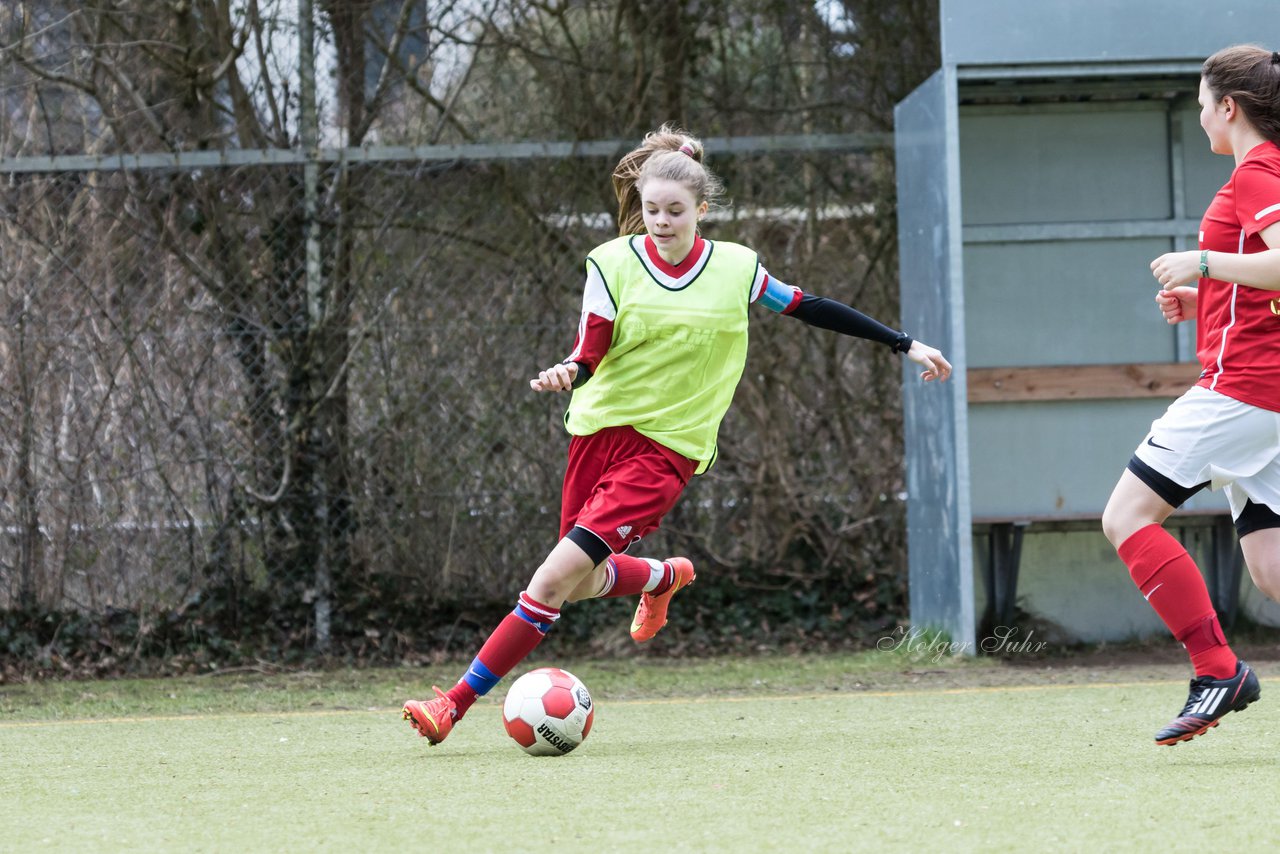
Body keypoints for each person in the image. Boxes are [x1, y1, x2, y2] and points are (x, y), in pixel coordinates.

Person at [403, 124, 952, 745]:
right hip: (596, 435)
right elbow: (591, 350)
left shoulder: (736, 269)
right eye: (649, 209)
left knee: (549, 583)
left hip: (666, 451)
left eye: (673, 211)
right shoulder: (611, 265)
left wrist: (903, 344)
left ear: (701, 211)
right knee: (579, 583)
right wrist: (568, 371)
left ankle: (452, 703)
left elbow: (810, 306)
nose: (659, 222)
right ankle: (663, 577)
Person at [1102, 44, 1280, 746]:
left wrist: (1201, 260)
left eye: (1204, 100)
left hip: (1241, 392)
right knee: (1271, 569)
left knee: (1126, 516)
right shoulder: (1259, 172)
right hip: (1264, 395)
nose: (1200, 111)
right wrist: (1199, 292)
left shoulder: (1260, 168)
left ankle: (1217, 670)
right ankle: (1218, 671)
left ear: (1229, 107)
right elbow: (1258, 281)